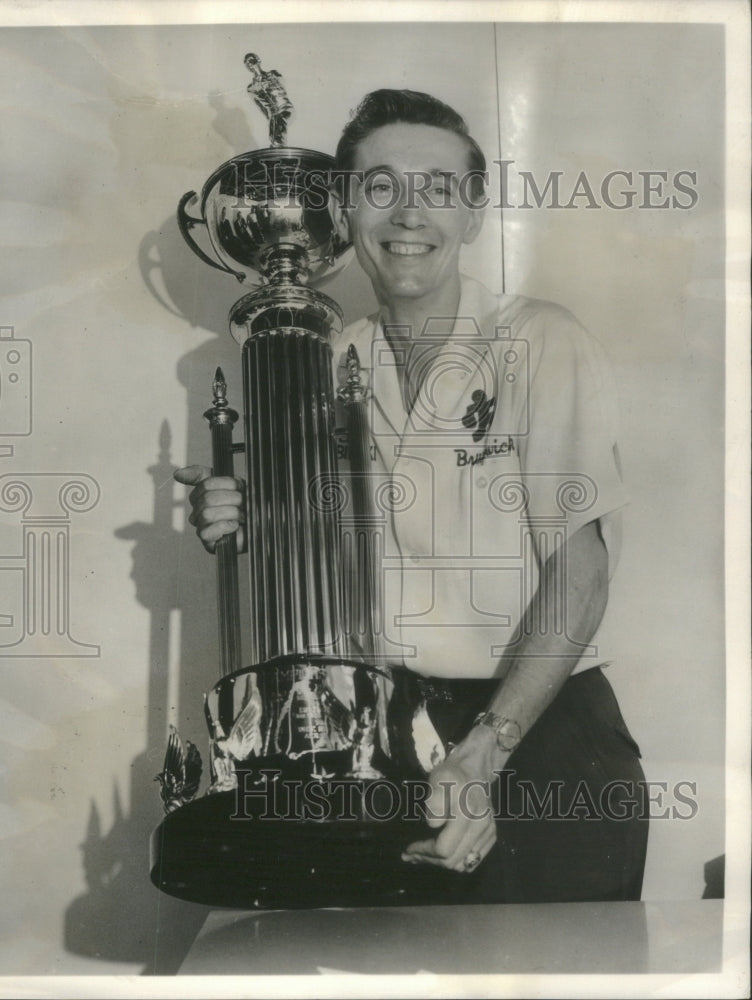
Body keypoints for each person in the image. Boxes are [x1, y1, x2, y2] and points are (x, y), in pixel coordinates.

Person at [175, 89, 648, 903]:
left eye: (438, 187)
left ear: (473, 214)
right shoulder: (323, 360)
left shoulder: (539, 341)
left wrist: (484, 752)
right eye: (380, 185)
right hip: (388, 740)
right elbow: (328, 542)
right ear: (346, 212)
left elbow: (582, 572)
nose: (408, 213)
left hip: (542, 735)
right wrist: (251, 515)